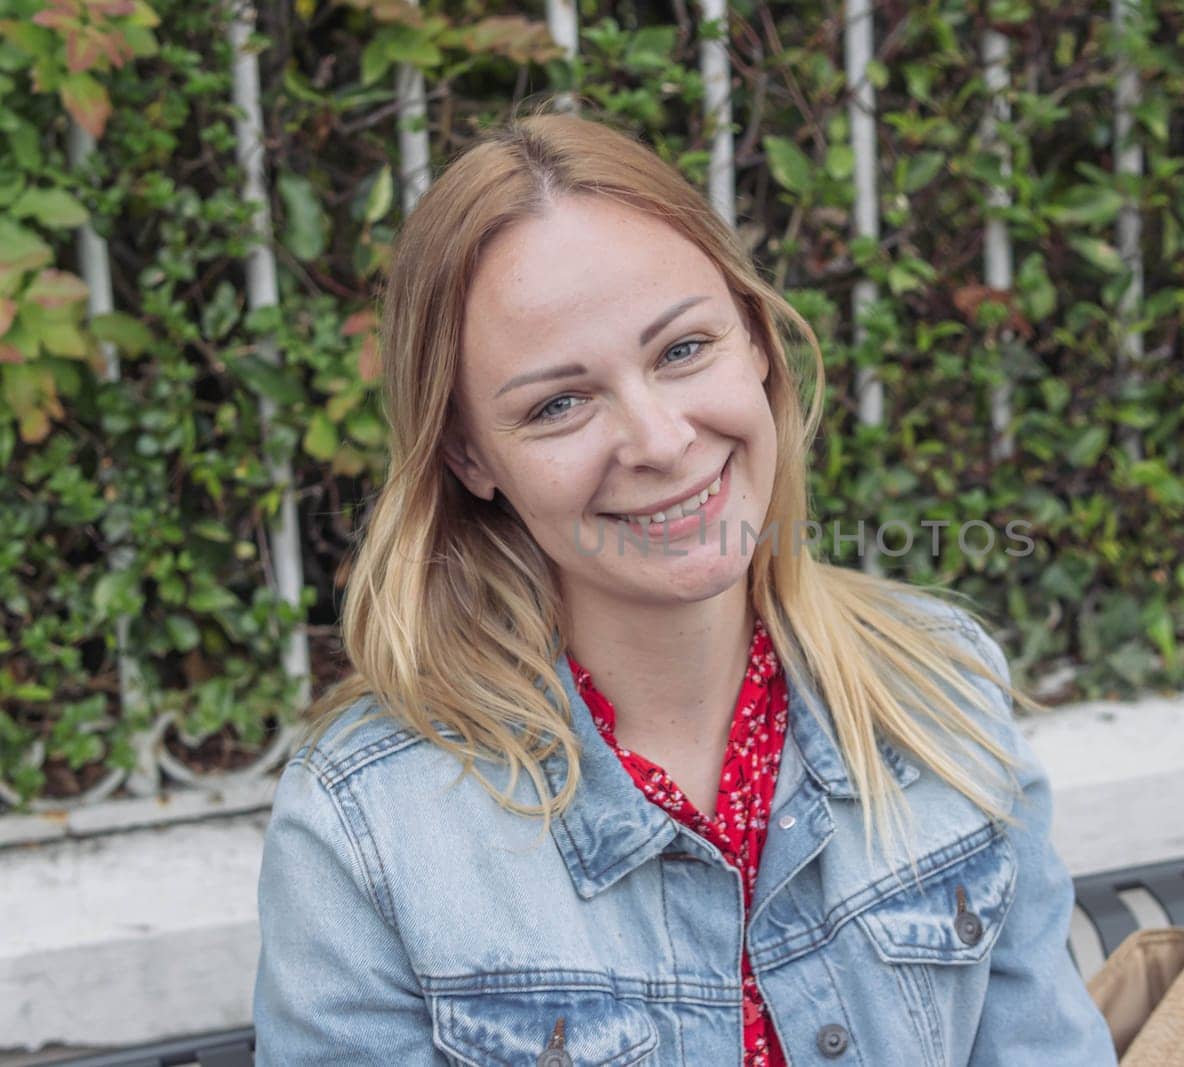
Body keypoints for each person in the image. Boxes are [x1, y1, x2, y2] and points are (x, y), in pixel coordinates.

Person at [252, 106, 1116, 1066]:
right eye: (560, 403)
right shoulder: (369, 827)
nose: (661, 441)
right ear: (468, 452)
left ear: (755, 340)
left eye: (681, 350)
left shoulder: (941, 690)